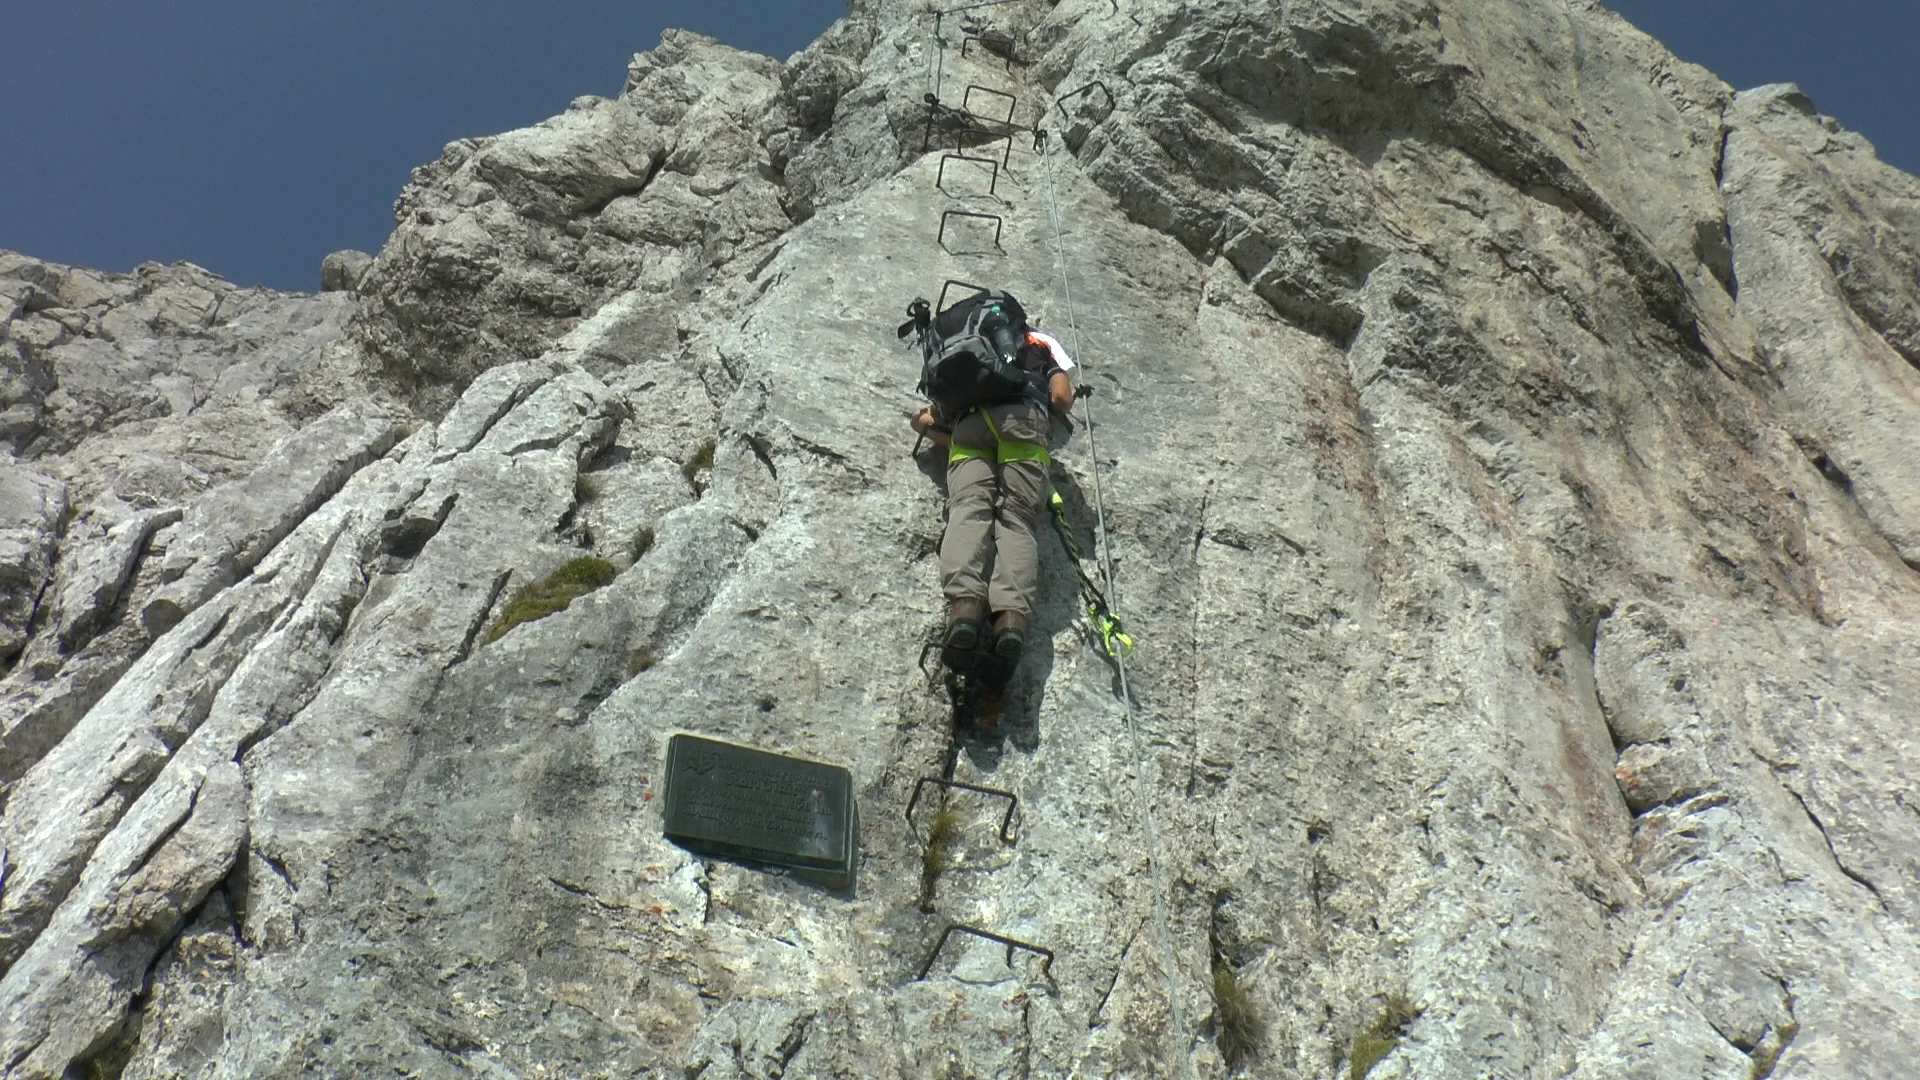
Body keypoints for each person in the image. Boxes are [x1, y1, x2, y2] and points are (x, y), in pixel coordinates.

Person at [911, 323, 1077, 685]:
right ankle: (1010, 622)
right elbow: (1062, 398)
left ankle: (965, 611)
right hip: (1023, 422)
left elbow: (924, 420)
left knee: (968, 511)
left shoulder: (963, 349)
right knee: (1016, 519)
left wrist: (946, 432)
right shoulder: (1038, 341)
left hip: (970, 426)